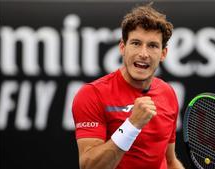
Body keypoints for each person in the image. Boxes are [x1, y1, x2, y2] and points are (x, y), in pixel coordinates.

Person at [72, 3, 185, 169]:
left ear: (163, 54)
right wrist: (132, 125)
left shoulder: (168, 93)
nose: (143, 53)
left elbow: (169, 161)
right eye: (136, 43)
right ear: (122, 47)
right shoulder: (92, 94)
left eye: (152, 45)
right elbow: (90, 166)